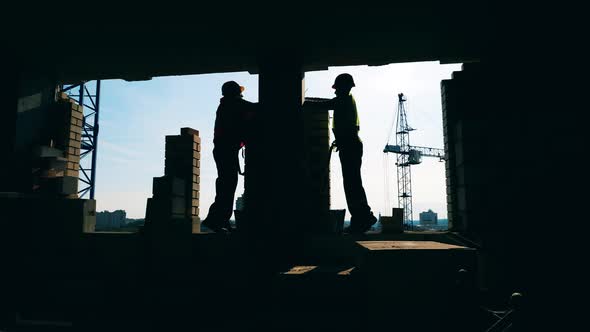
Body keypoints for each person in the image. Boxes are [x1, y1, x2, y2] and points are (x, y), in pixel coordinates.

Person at [303, 73, 377, 234]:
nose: (335, 91)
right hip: (350, 145)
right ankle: (363, 216)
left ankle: (363, 218)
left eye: (337, 89)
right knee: (353, 183)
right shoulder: (346, 100)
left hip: (350, 146)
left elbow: (325, 104)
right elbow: (329, 103)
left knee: (352, 185)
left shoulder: (343, 100)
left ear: (344, 87)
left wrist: (303, 101)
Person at [202, 81, 256, 233]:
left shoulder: (226, 105)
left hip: (223, 151)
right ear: (235, 93)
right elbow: (254, 107)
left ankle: (221, 220)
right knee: (227, 185)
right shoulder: (233, 104)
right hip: (225, 151)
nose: (241, 94)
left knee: (226, 185)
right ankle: (215, 221)